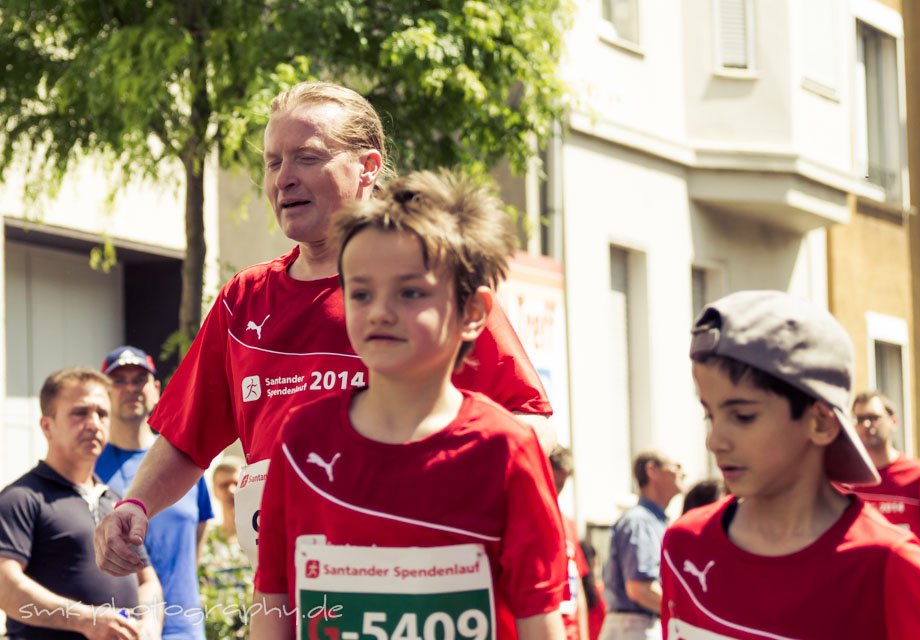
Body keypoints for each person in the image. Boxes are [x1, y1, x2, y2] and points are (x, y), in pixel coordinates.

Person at [95, 81, 554, 575]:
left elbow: (527, 423)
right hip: (288, 590)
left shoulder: (429, 284)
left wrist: (427, 487)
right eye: (273, 162)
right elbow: (188, 437)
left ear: (368, 168)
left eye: (307, 158)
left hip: (413, 582)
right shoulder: (245, 300)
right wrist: (134, 506)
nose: (283, 179)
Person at [250, 170, 567, 640]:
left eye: (410, 292)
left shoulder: (507, 450)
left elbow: (540, 622)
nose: (379, 310)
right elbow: (273, 603)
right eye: (360, 292)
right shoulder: (301, 440)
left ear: (474, 312)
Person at [662, 290, 920, 638]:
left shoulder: (889, 564)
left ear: (820, 422)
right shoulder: (683, 544)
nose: (715, 441)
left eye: (742, 416)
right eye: (709, 416)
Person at [0, 367, 162, 640]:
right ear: (47, 426)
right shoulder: (20, 498)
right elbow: (4, 586)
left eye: (102, 413)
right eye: (80, 412)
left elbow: (148, 581)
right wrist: (86, 621)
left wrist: (149, 625)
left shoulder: (114, 501)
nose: (94, 423)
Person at [94, 346, 213, 640]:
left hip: (184, 627)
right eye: (119, 381)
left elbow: (199, 530)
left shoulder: (182, 461)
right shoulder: (90, 465)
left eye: (140, 380)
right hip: (120, 628)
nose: (131, 388)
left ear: (156, 389)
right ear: (105, 393)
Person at [846, 390, 920, 571]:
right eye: (859, 419)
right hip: (862, 587)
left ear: (894, 422)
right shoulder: (845, 478)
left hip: (909, 586)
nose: (866, 424)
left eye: (874, 417)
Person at [599, 451, 682, 640]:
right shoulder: (640, 522)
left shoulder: (651, 521)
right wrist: (687, 613)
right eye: (676, 466)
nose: (682, 474)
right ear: (652, 470)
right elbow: (640, 589)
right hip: (636, 629)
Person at [197, 457, 251, 640]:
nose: (230, 490)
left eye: (236, 483)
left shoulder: (259, 539)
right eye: (224, 485)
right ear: (214, 491)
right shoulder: (205, 541)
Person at [549, 446, 590, 640]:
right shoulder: (524, 521)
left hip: (571, 631)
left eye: (562, 484)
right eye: (554, 482)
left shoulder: (568, 523)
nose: (557, 490)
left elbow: (578, 585)